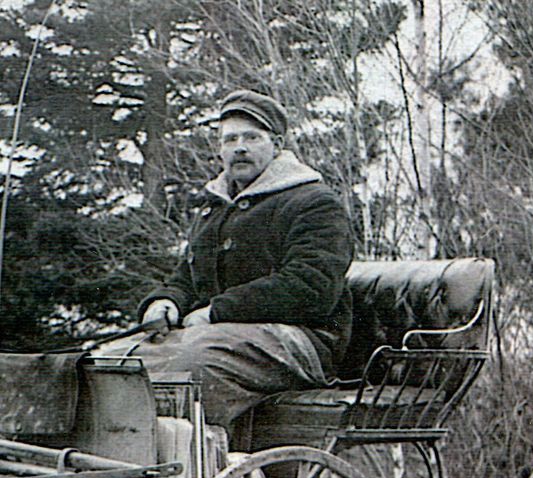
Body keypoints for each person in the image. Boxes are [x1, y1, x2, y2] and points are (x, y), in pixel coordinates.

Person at [104, 90, 354, 429]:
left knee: (190, 364)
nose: (239, 147)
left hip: (304, 341)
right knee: (111, 360)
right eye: (230, 139)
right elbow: (187, 278)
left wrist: (216, 312)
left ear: (277, 145)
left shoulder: (313, 202)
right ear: (220, 149)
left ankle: (192, 465)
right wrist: (166, 302)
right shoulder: (216, 208)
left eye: (252, 137)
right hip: (222, 335)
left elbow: (311, 288)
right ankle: (114, 463)